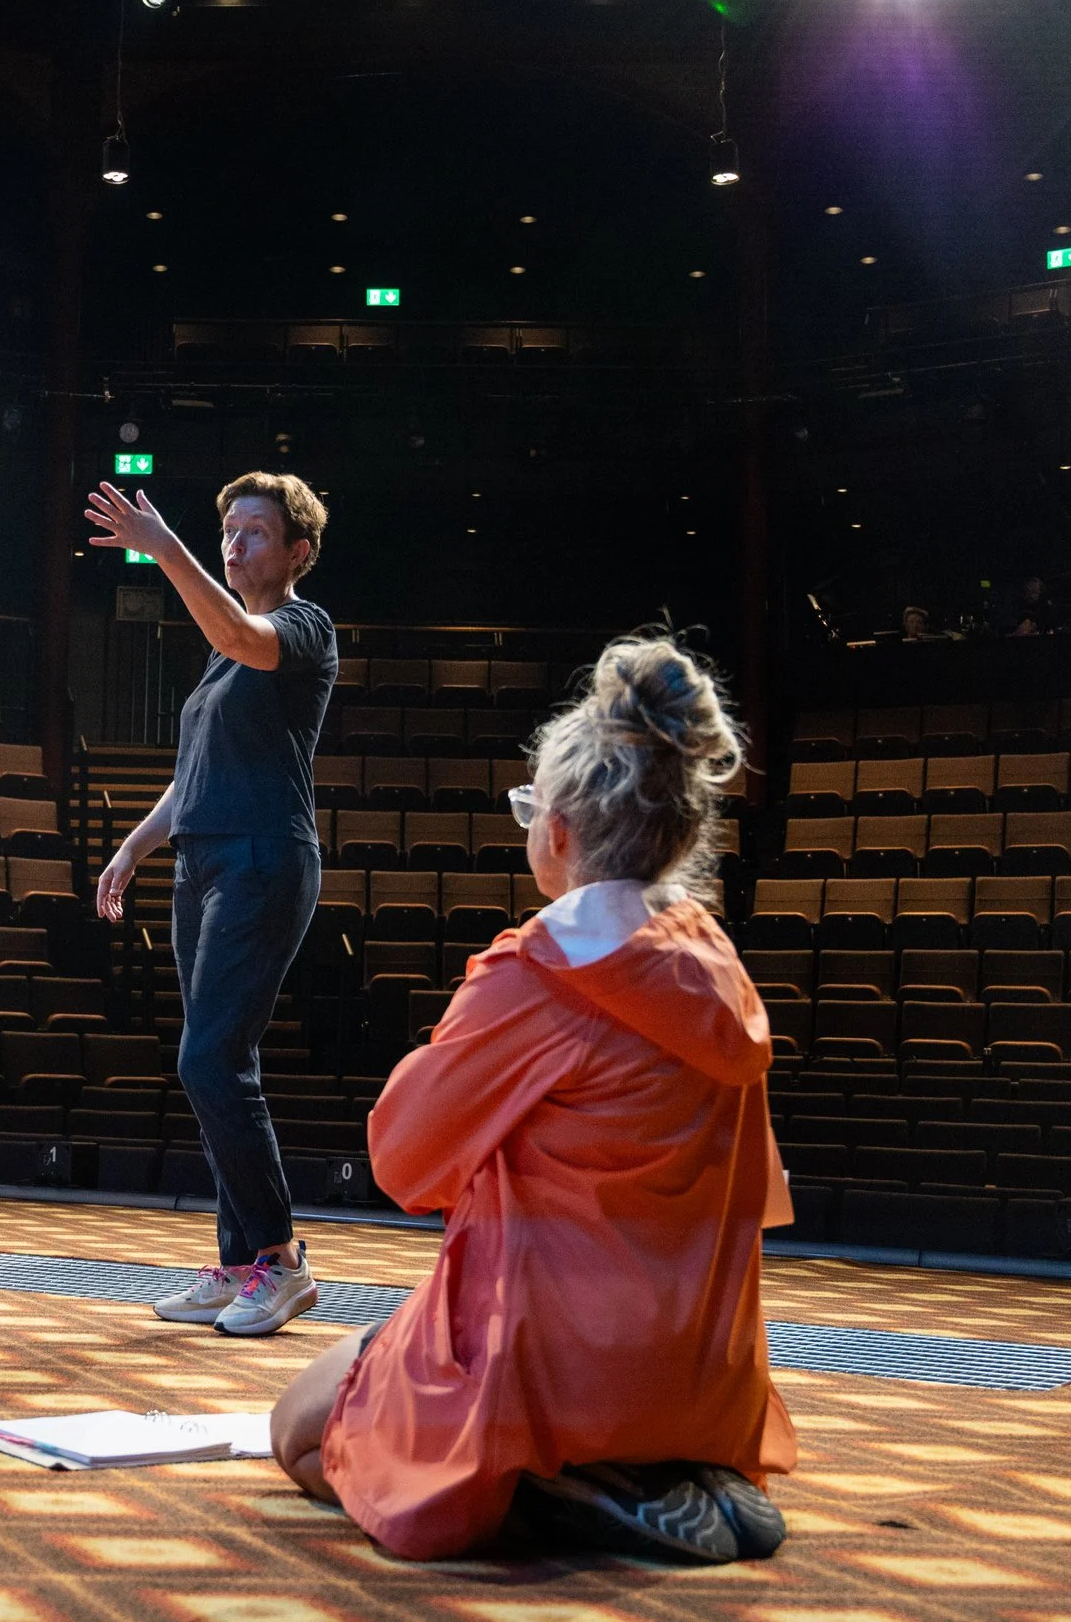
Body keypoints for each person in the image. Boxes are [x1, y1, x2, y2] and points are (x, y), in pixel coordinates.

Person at [268, 634, 797, 1562]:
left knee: (301, 1428)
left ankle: (573, 1484)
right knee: (374, 1359)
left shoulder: (539, 975)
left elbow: (401, 1158)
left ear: (556, 833)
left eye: (528, 810)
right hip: (705, 1377)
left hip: (555, 1365)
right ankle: (666, 1465)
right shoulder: (717, 969)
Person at [86, 472, 335, 1337]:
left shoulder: (301, 627)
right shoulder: (219, 652)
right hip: (205, 859)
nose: (235, 545)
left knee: (208, 1060)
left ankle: (280, 1258)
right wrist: (131, 848)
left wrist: (164, 550)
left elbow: (239, 626)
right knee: (220, 1064)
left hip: (265, 856)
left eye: (255, 532)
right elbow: (192, 775)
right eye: (227, 530)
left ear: (297, 551)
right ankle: (238, 1262)